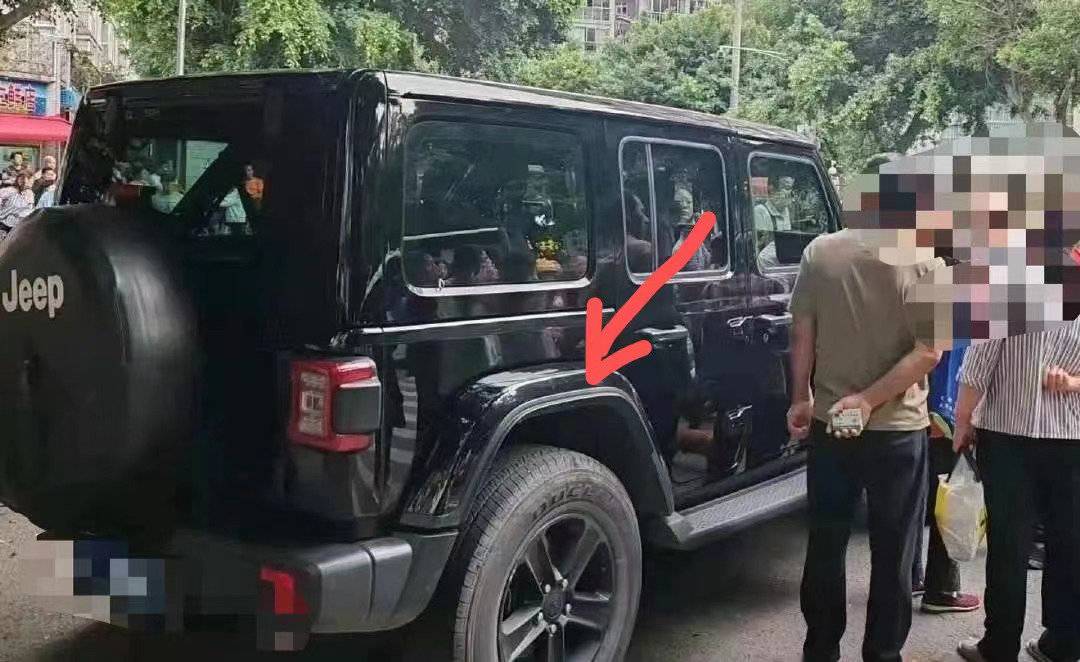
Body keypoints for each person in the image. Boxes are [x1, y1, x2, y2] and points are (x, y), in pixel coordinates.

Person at [786, 227, 942, 662]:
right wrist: (870, 401)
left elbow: (801, 332)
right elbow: (929, 352)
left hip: (830, 425)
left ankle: (820, 651)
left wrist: (801, 397)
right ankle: (883, 654)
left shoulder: (819, 252)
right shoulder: (928, 260)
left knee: (826, 542)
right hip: (899, 430)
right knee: (894, 552)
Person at [953, 321, 1080, 662]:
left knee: (1008, 545)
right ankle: (1064, 644)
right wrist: (1071, 383)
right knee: (1069, 542)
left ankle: (999, 646)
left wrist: (962, 420)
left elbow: (979, 363)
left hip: (1007, 435)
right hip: (1073, 437)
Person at [911, 346, 982, 613]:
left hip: (917, 400)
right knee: (947, 493)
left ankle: (910, 575)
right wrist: (942, 410)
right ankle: (941, 588)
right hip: (942, 402)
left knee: (917, 490)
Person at [0, 172, 36, 239]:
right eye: (21, 179)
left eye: (31, 181)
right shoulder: (11, 190)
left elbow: (29, 210)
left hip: (19, 226)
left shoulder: (30, 194)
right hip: (5, 223)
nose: (28, 183)